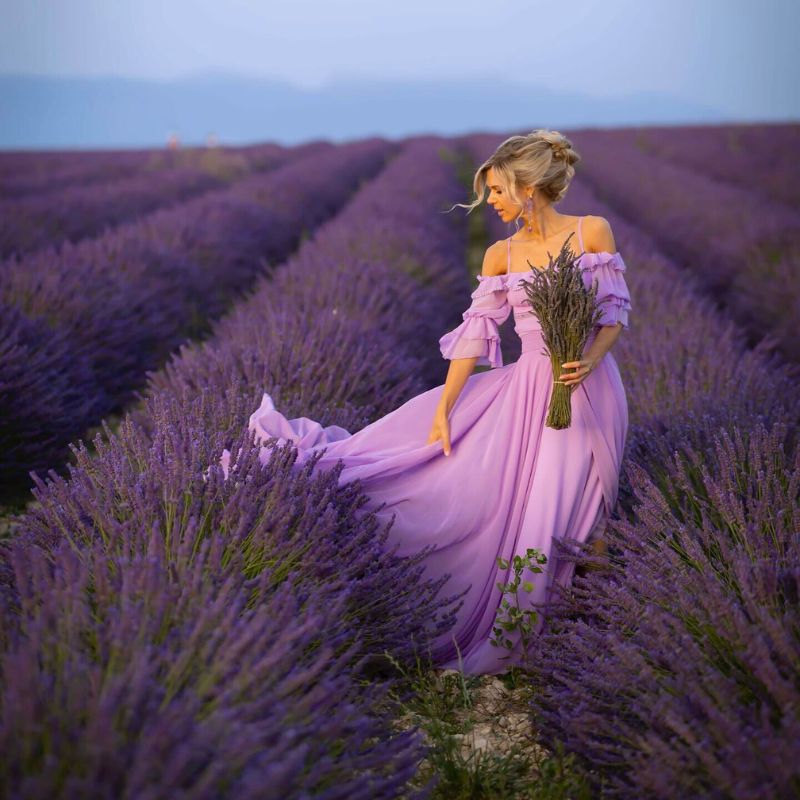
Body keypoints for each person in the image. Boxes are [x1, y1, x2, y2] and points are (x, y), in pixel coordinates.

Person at [217, 130, 631, 676]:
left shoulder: (591, 232)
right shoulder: (500, 253)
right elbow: (476, 333)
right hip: (532, 386)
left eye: (498, 193)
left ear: (527, 186)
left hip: (590, 385)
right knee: (542, 505)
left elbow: (614, 314)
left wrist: (590, 360)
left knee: (589, 505)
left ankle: (597, 636)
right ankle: (544, 632)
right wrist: (446, 407)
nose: (493, 205)